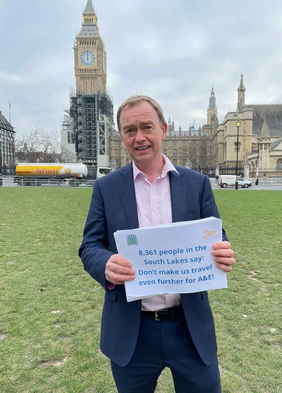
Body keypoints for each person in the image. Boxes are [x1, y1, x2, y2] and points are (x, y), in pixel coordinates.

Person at [79, 95, 235, 393]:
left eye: (147, 127)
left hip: (189, 327)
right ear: (121, 135)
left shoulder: (197, 183)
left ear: (163, 129)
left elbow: (216, 235)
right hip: (132, 331)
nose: (139, 137)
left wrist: (222, 251)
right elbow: (90, 246)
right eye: (129, 129)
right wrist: (105, 264)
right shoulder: (106, 187)